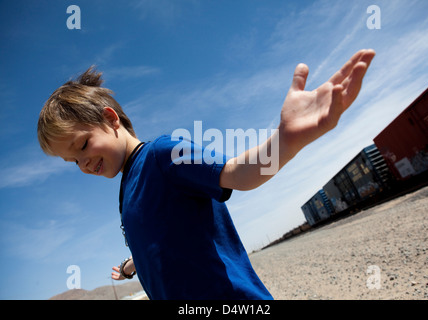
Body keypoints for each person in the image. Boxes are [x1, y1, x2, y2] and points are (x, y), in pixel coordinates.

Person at [37, 49, 375, 299]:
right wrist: (131, 265)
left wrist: (285, 140)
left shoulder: (162, 155)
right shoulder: (127, 192)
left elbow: (237, 173)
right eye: (73, 162)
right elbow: (163, 241)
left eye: (82, 146)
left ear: (111, 119)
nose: (83, 164)